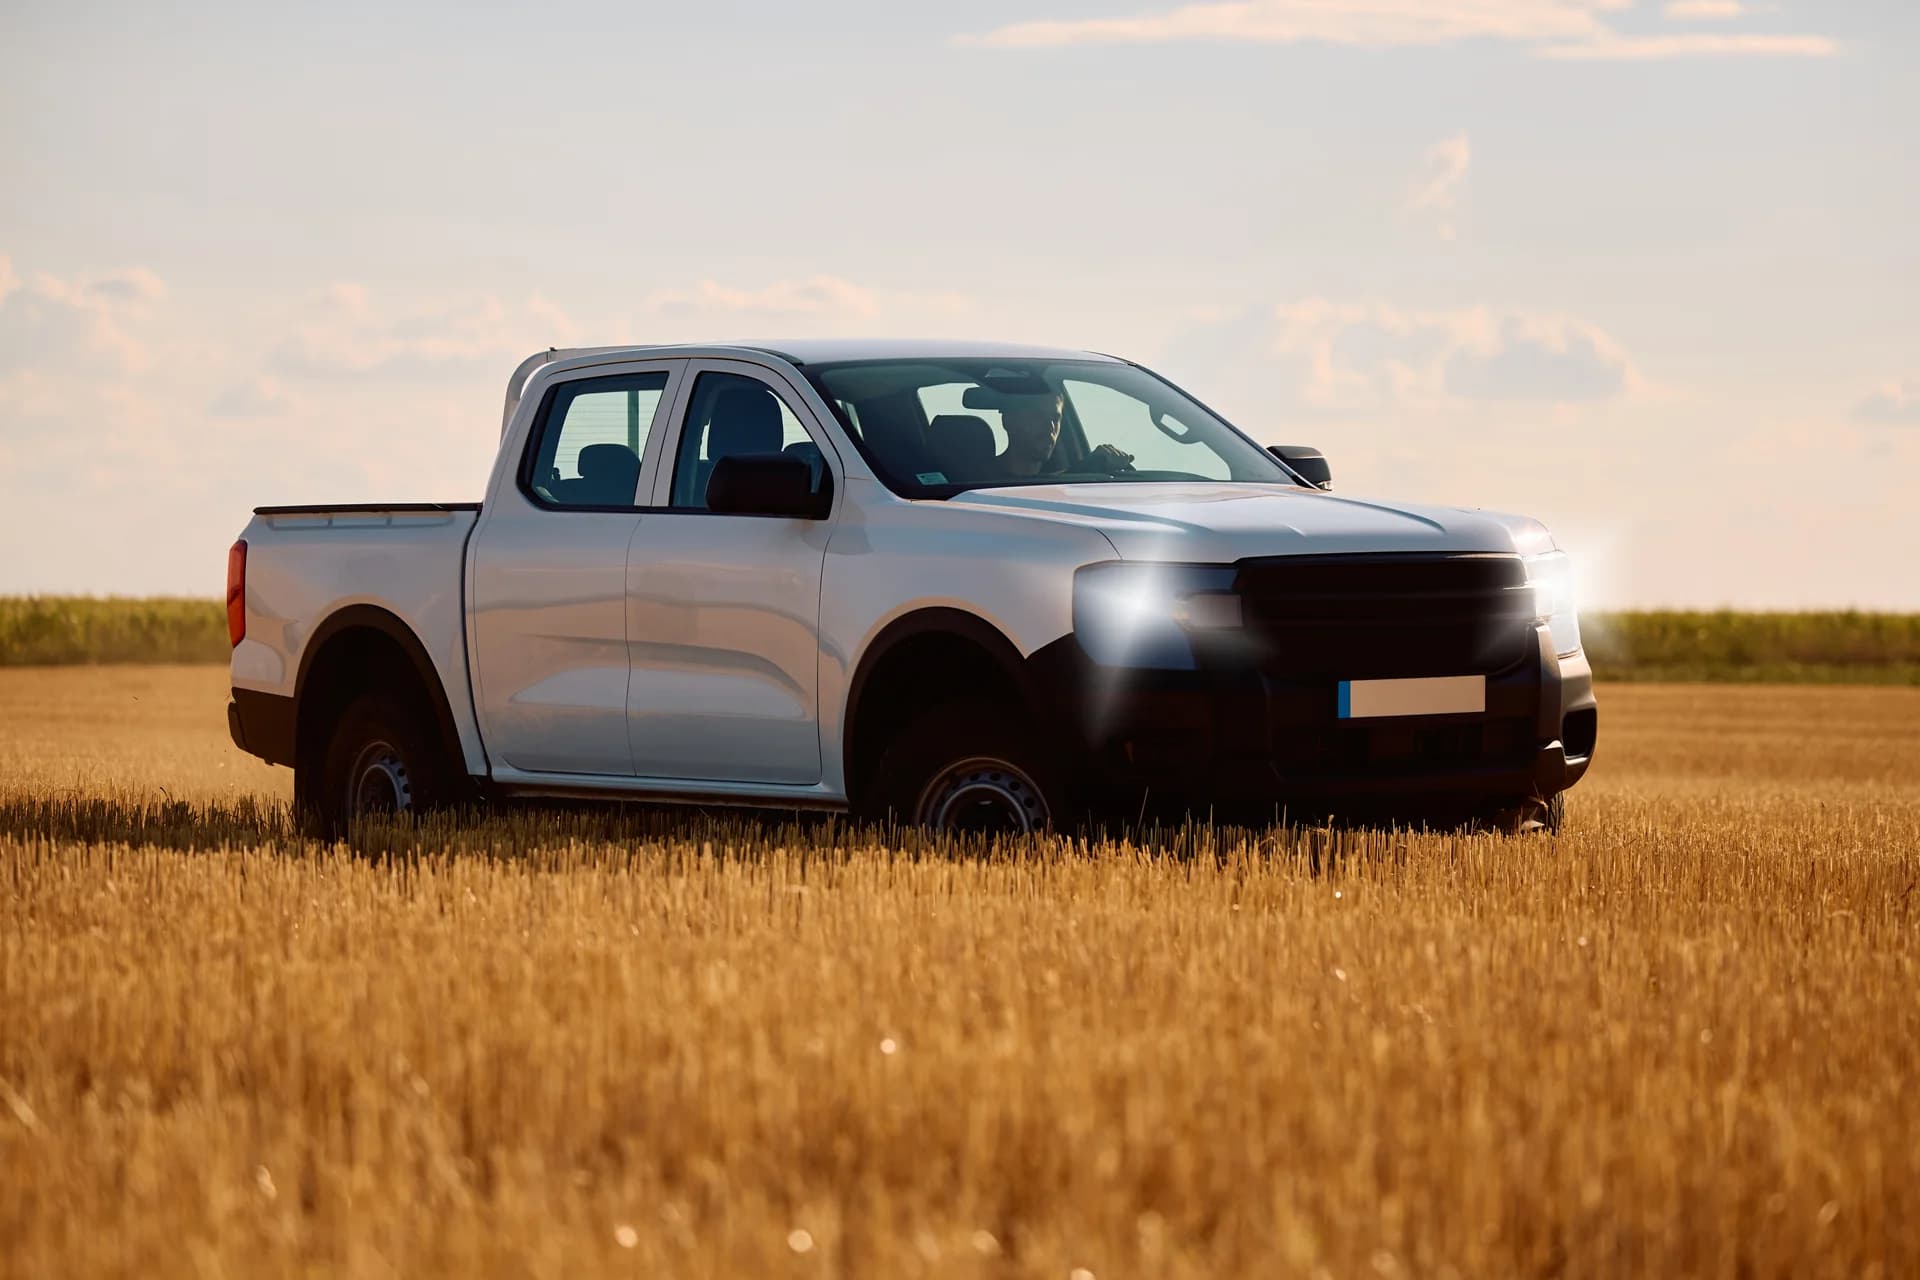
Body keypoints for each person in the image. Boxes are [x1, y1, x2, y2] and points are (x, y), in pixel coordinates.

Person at [998, 392, 1134, 478]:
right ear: (1008, 420)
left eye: (1055, 418)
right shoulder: (982, 479)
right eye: (1038, 416)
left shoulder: (1065, 483)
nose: (1050, 427)